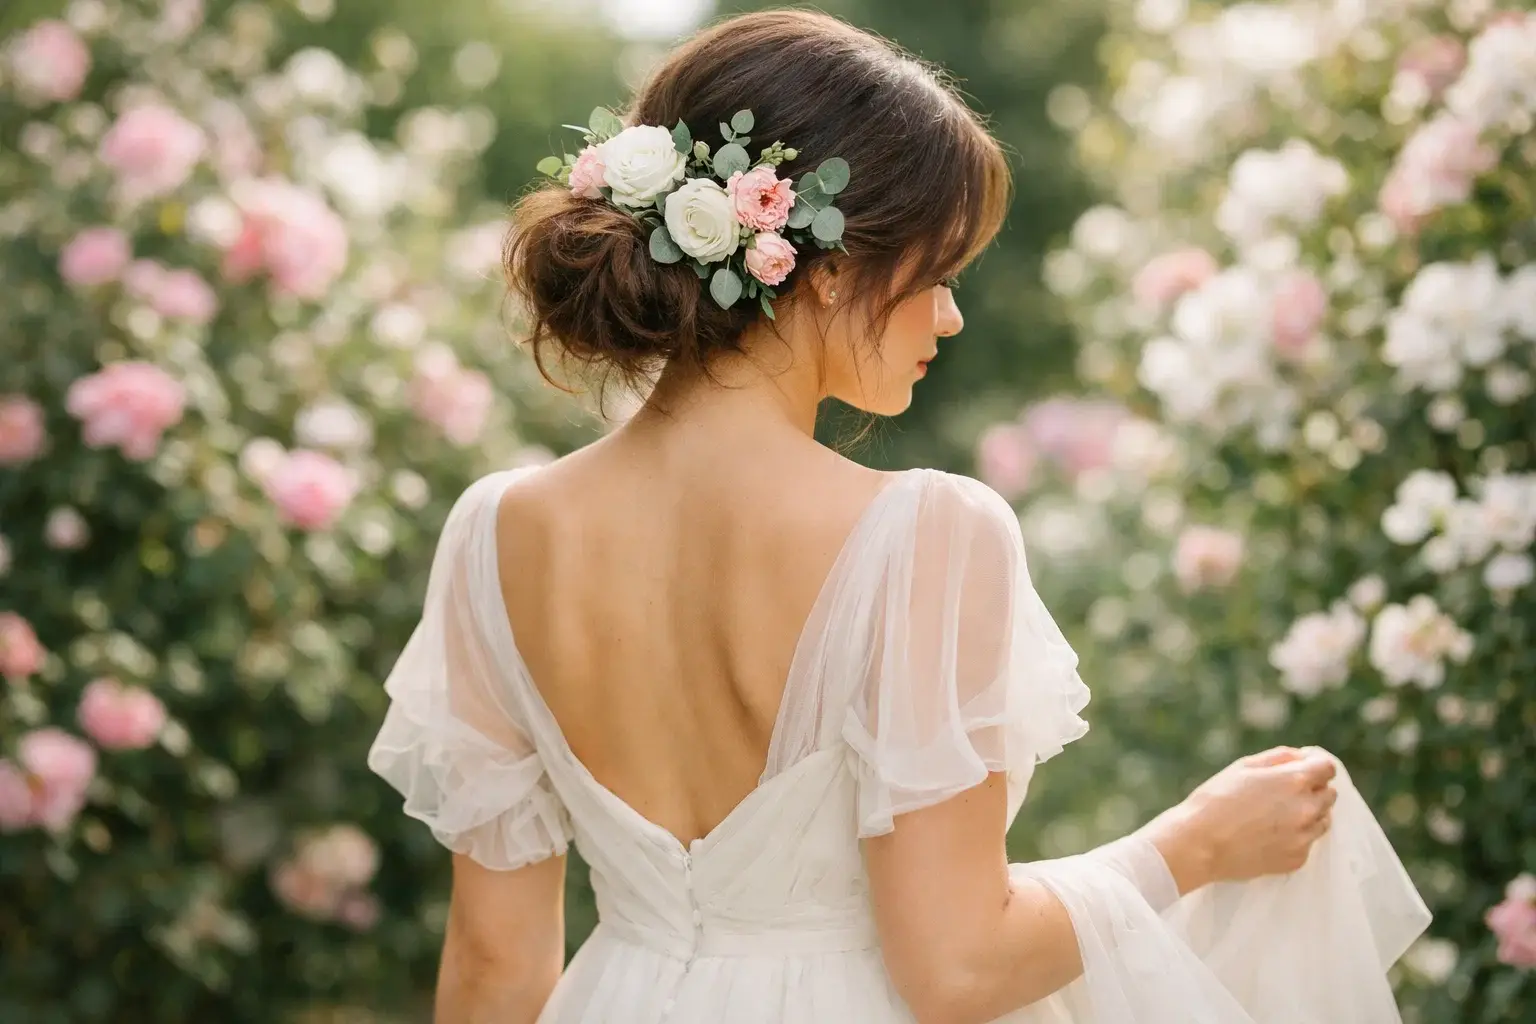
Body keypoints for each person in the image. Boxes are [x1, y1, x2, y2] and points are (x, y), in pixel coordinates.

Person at [368, 10, 1429, 1023]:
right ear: (826, 271)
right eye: (941, 273)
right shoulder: (925, 533)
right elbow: (960, 967)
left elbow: (499, 971)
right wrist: (1196, 842)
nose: (953, 316)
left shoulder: (496, 530)